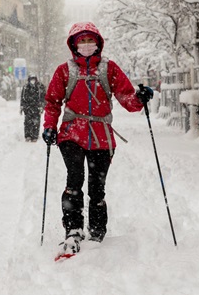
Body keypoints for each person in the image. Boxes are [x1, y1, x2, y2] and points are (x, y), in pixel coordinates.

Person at [42, 21, 154, 256]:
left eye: (89, 40)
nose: (85, 44)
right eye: (81, 41)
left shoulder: (109, 69)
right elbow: (52, 102)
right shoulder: (65, 71)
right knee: (74, 181)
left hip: (101, 137)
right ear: (73, 44)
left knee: (97, 187)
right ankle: (73, 229)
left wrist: (140, 98)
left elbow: (127, 100)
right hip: (72, 134)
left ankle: (97, 230)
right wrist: (50, 126)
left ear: (98, 43)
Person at [20, 74, 45, 142]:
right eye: (31, 79)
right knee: (27, 122)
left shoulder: (40, 87)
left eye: (34, 79)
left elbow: (43, 97)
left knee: (36, 122)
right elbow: (22, 98)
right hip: (28, 108)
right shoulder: (26, 87)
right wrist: (22, 107)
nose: (32, 81)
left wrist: (42, 106)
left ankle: (35, 136)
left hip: (37, 107)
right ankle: (28, 135)